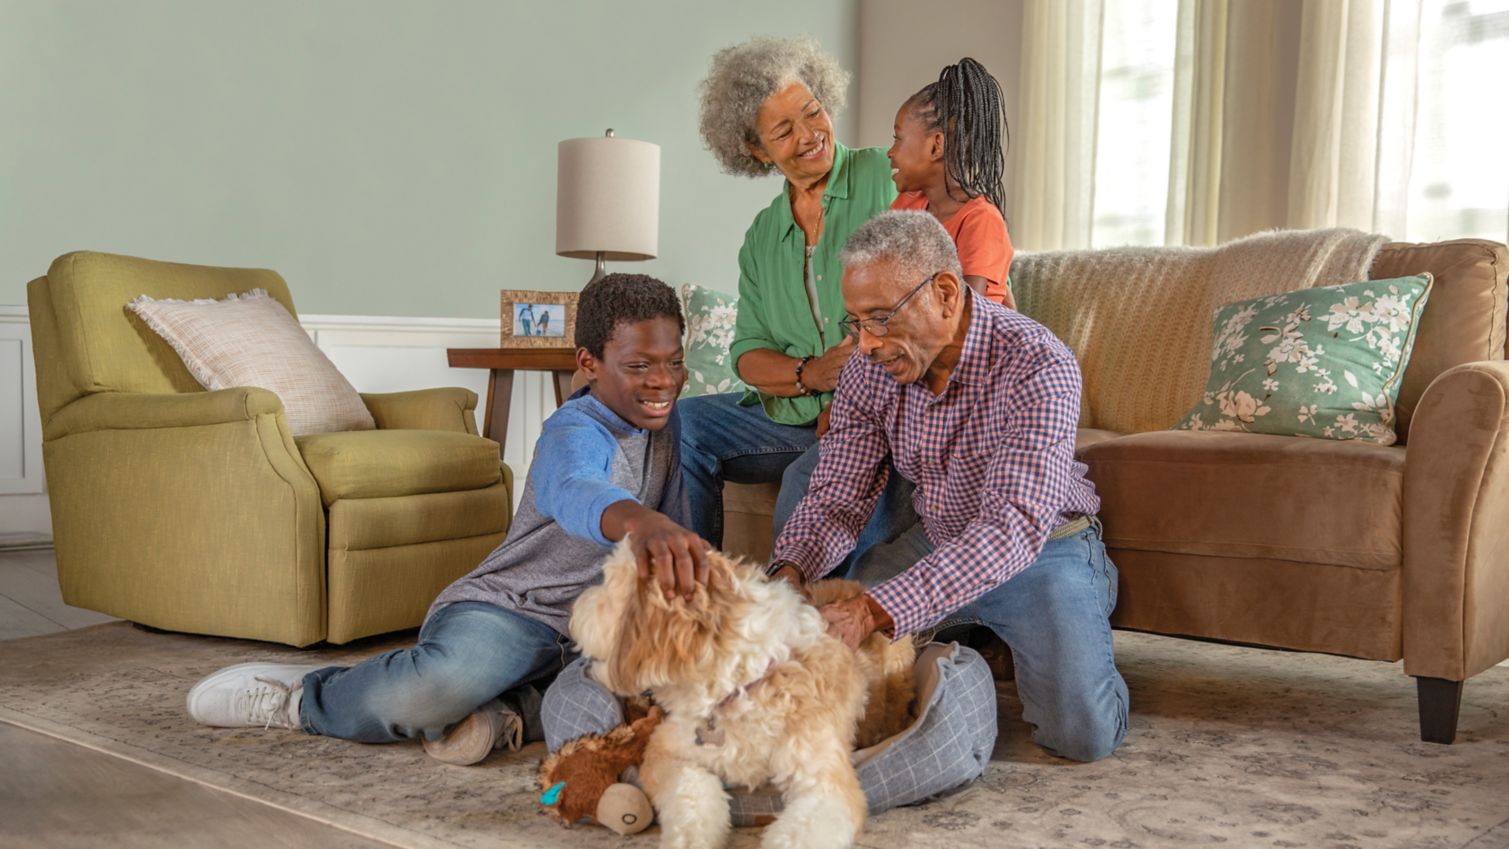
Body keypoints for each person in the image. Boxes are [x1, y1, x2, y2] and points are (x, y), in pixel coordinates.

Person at [184, 273, 708, 765]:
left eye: (674, 362)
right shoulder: (573, 430)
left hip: (601, 627)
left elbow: (682, 508)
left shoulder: (665, 421)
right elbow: (576, 489)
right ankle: (307, 697)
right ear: (589, 363)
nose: (663, 381)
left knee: (679, 694)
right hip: (515, 612)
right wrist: (640, 522)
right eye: (639, 366)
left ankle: (505, 714)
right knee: (435, 689)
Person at [770, 211, 1128, 762]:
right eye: (856, 323)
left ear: (943, 293)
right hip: (939, 537)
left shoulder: (1038, 362)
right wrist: (788, 571)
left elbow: (1012, 528)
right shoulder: (870, 366)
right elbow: (837, 493)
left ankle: (1084, 607)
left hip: (1041, 549)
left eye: (881, 319)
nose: (865, 344)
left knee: (1081, 735)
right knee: (825, 646)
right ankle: (964, 645)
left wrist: (873, 611)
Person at [681, 35, 913, 567]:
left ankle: (794, 625)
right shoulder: (763, 235)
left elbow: (931, 293)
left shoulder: (888, 176)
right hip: (791, 413)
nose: (809, 136)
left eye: (812, 113)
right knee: (681, 426)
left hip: (876, 410)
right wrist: (812, 373)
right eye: (783, 131)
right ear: (757, 151)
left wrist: (849, 387)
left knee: (804, 484)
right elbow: (747, 354)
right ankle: (695, 594)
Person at [889, 57, 1016, 309]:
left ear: (936, 145)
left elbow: (964, 319)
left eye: (898, 138)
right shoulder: (907, 206)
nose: (890, 152)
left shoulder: (981, 221)